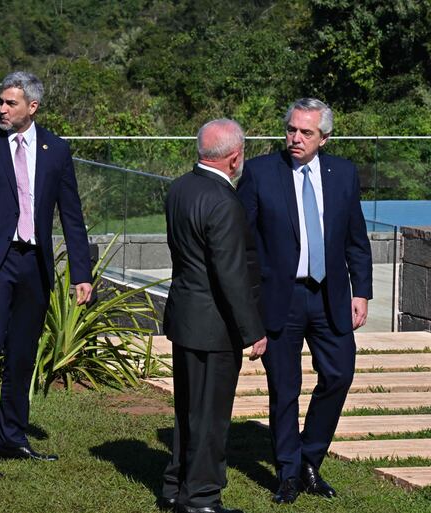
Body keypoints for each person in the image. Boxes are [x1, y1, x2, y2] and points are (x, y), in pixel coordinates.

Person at [0, 71, 93, 477]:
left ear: (32, 107)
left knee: (22, 355)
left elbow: (72, 214)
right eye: (1, 101)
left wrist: (81, 272)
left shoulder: (56, 149)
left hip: (36, 265)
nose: (2, 109)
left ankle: (12, 437)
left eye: (10, 103)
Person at [237, 98, 372, 504]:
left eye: (306, 132)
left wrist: (360, 290)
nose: (296, 138)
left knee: (339, 375)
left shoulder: (344, 173)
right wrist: (249, 301)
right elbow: (243, 241)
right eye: (292, 129)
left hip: (330, 294)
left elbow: (355, 237)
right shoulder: (261, 171)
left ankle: (311, 457)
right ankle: (289, 473)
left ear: (324, 137)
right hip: (281, 296)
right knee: (284, 388)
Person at [159, 119, 267, 513]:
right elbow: (231, 275)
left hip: (186, 318)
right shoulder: (223, 201)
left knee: (188, 410)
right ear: (235, 157)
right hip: (213, 327)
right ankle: (201, 497)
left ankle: (176, 486)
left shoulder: (181, 188)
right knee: (210, 417)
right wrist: (252, 330)